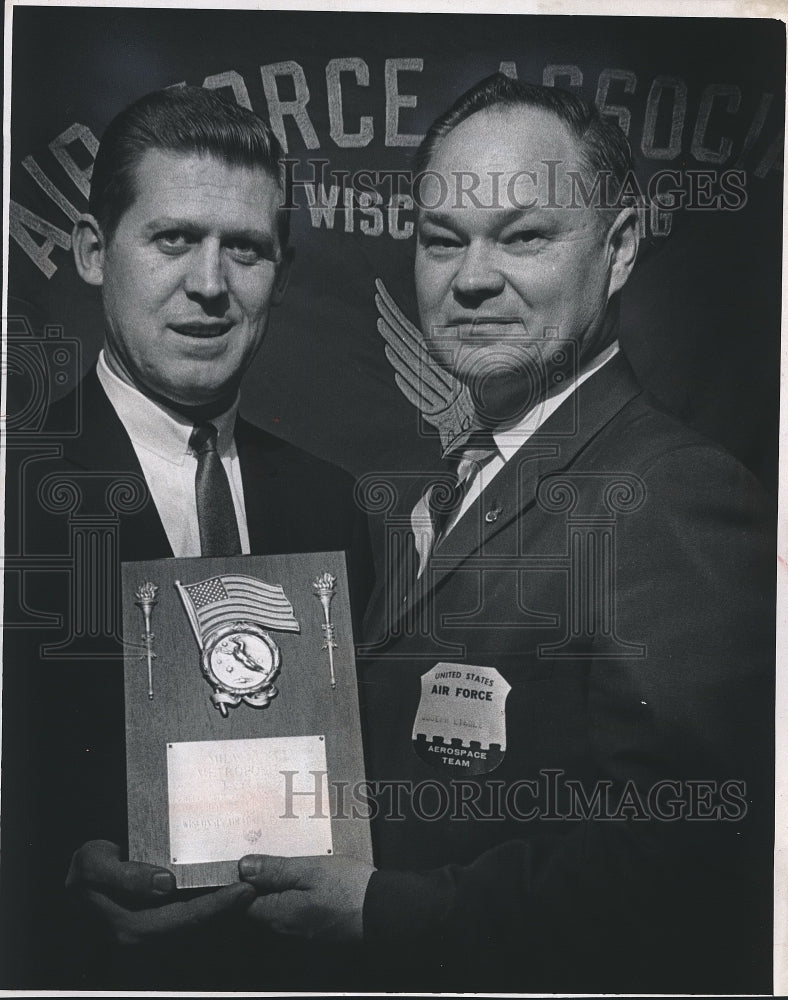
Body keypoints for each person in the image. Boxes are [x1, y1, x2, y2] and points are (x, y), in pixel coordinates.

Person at [235, 74, 777, 993]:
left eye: (523, 236)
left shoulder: (672, 492)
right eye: (440, 241)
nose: (471, 278)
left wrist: (380, 910)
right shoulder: (447, 492)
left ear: (619, 247)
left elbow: (692, 862)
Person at [0, 86, 371, 990]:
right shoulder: (11, 488)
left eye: (244, 249)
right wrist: (55, 872)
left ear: (279, 269)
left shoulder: (337, 506)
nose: (210, 285)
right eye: (173, 239)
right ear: (94, 252)